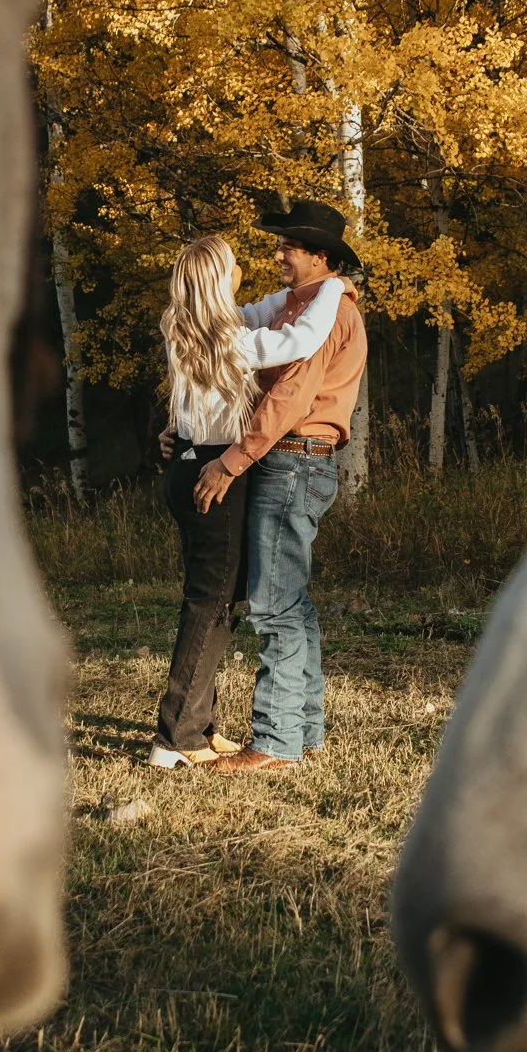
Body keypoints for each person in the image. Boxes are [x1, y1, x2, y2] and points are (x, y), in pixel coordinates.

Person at [150, 233, 347, 768]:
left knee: (217, 598)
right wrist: (334, 288)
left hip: (189, 462)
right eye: (233, 265)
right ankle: (178, 738)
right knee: (211, 601)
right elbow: (297, 340)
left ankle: (197, 725)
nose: (245, 270)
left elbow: (268, 309)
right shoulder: (227, 341)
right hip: (211, 470)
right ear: (217, 278)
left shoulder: (188, 326)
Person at [204, 199, 368, 774]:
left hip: (292, 458)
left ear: (319, 257)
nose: (277, 255)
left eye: (287, 248)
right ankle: (305, 731)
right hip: (302, 461)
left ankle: (274, 743)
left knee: (274, 609)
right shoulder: (293, 306)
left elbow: (290, 396)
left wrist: (232, 460)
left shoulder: (324, 315)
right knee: (292, 604)